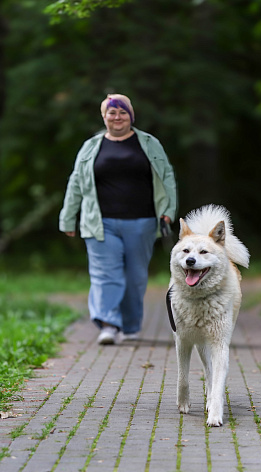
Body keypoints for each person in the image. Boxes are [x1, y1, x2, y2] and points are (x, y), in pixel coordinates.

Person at [59, 94, 178, 345]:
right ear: (104, 117)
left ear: (131, 115)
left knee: (135, 277)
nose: (117, 117)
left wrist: (168, 209)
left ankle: (131, 325)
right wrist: (68, 219)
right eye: (111, 112)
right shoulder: (91, 147)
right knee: (106, 275)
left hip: (143, 221)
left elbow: (166, 176)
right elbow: (76, 183)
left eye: (123, 112)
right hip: (100, 224)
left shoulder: (148, 143)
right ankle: (108, 324)